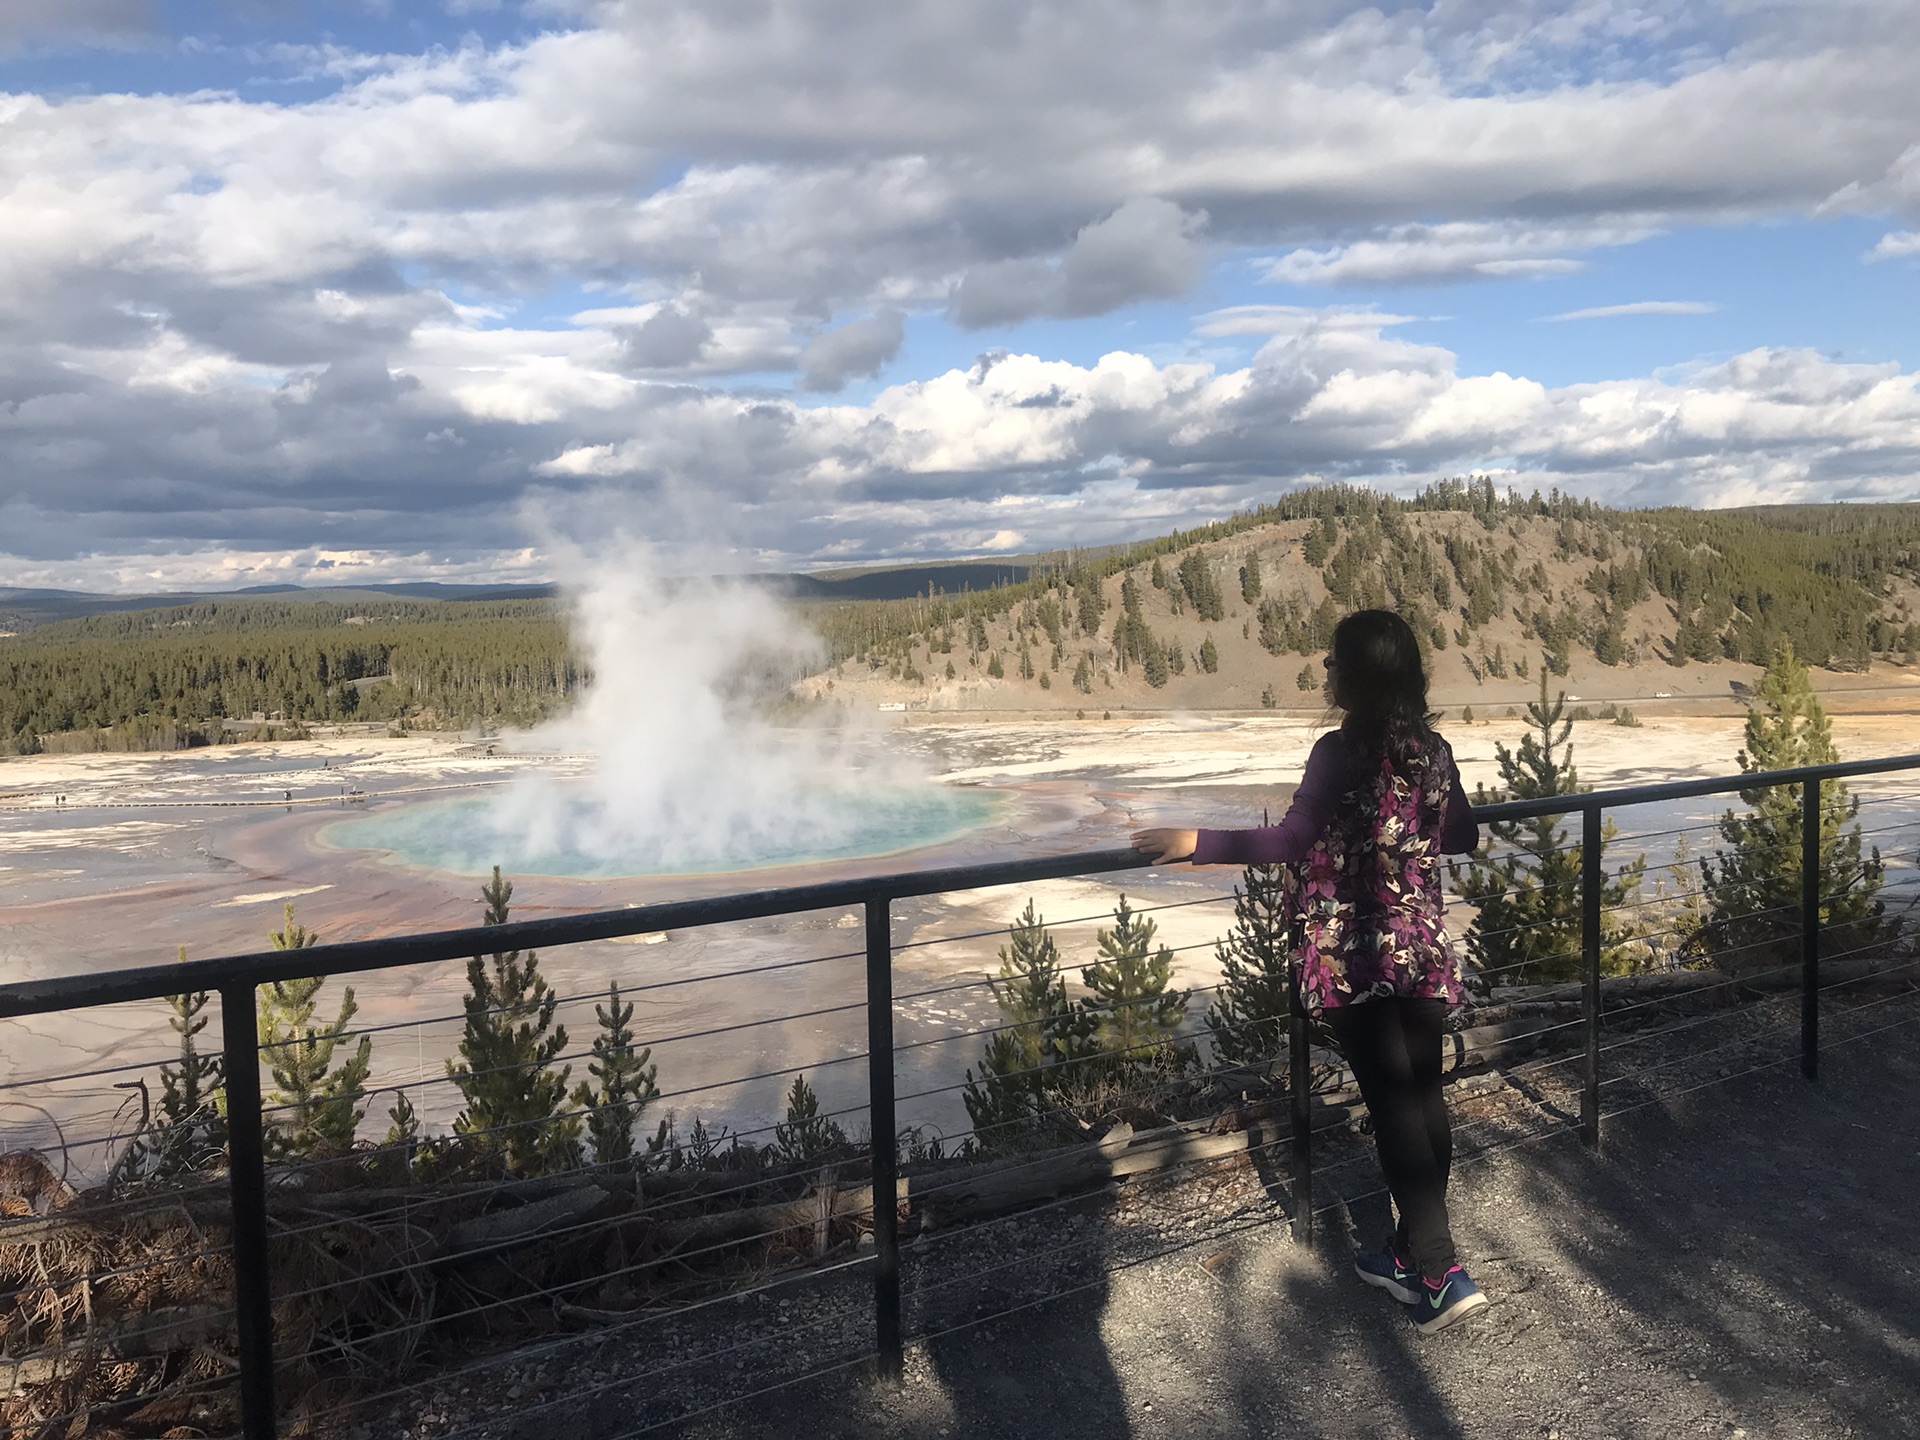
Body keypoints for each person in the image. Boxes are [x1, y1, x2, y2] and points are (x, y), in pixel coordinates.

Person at [1132, 608, 1486, 1335]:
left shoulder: (1337, 751)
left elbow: (1292, 839)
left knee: (1393, 1107)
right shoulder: (1434, 748)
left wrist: (1194, 840)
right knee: (1421, 1095)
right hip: (1417, 946)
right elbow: (1463, 835)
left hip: (1350, 956)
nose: (1324, 673)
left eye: (1332, 663)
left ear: (1353, 675)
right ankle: (1405, 1252)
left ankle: (1442, 1271)